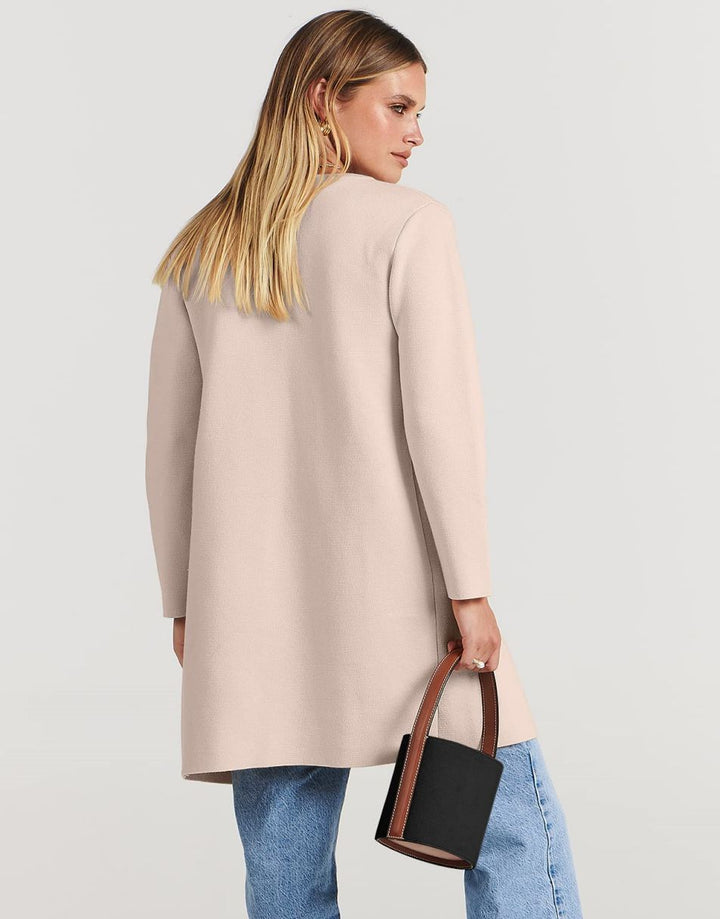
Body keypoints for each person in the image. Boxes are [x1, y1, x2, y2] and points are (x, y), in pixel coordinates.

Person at [145, 9, 584, 918]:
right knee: (506, 814)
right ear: (322, 100)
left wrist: (185, 603)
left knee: (284, 859)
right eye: (398, 107)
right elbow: (442, 423)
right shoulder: (409, 225)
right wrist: (470, 590)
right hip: (403, 599)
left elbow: (170, 447)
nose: (417, 133)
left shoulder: (205, 246)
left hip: (251, 613)